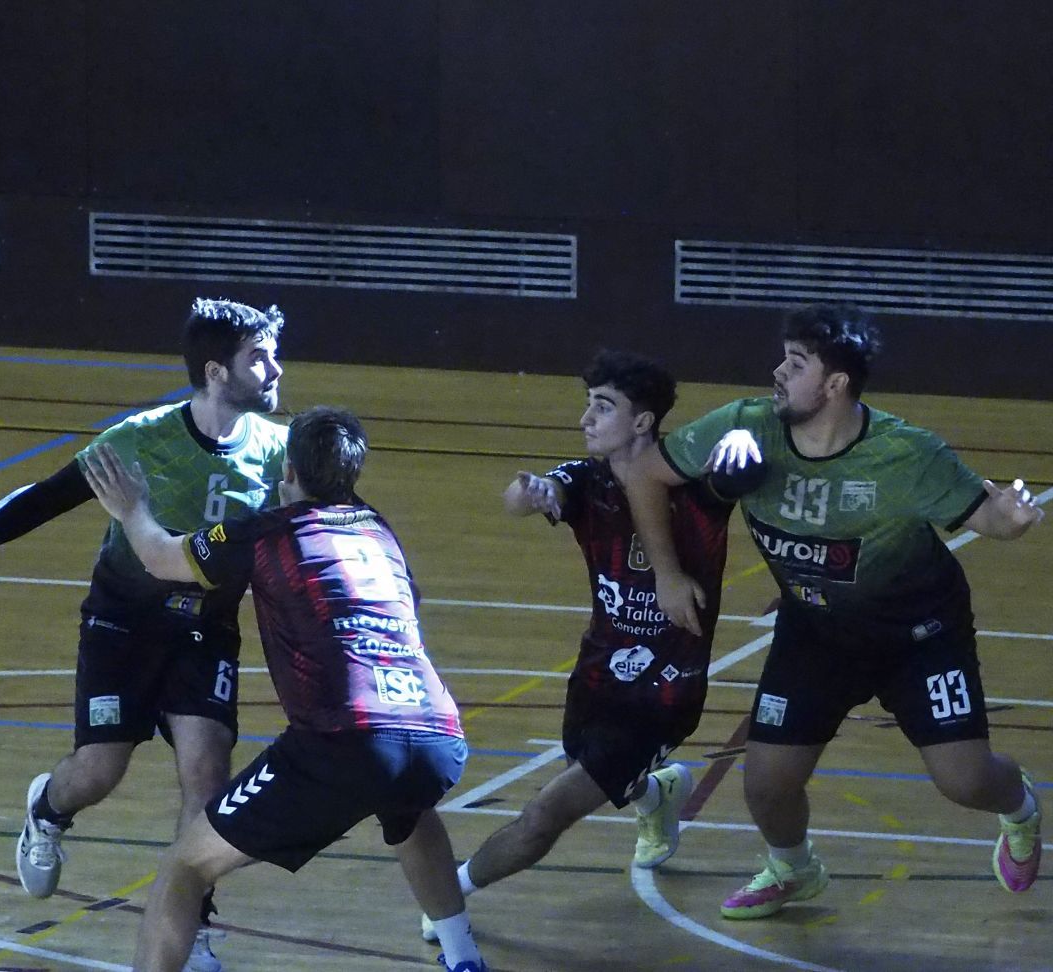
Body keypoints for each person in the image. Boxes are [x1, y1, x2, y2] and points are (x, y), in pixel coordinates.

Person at [0, 297, 288, 971]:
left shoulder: (276, 450)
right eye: (260, 357)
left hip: (206, 632)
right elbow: (49, 495)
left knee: (206, 776)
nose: (276, 368)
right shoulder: (140, 439)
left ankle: (197, 934)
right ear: (217, 372)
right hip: (122, 626)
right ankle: (47, 807)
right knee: (99, 772)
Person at [625, 303, 1045, 919]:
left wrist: (1012, 518)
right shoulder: (745, 427)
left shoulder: (906, 453)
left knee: (965, 781)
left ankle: (1022, 809)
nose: (776, 372)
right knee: (766, 784)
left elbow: (989, 516)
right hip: (816, 631)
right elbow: (641, 471)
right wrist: (667, 574)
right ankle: (794, 870)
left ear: (835, 384)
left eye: (795, 365)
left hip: (919, 636)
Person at [80, 406, 487, 972]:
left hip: (346, 741)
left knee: (185, 866)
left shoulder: (263, 533)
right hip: (438, 735)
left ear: (287, 470)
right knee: (409, 809)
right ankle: (464, 958)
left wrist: (131, 508)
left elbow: (157, 556)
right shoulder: (378, 529)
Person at [418, 350, 734, 941]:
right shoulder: (587, 481)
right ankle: (657, 794)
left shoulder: (695, 492)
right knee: (593, 777)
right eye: (587, 404)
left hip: (664, 692)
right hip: (597, 674)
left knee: (546, 815)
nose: (586, 419)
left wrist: (741, 443)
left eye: (603, 406)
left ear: (643, 422)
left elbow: (739, 464)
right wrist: (530, 493)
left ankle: (450, 895)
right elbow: (522, 500)